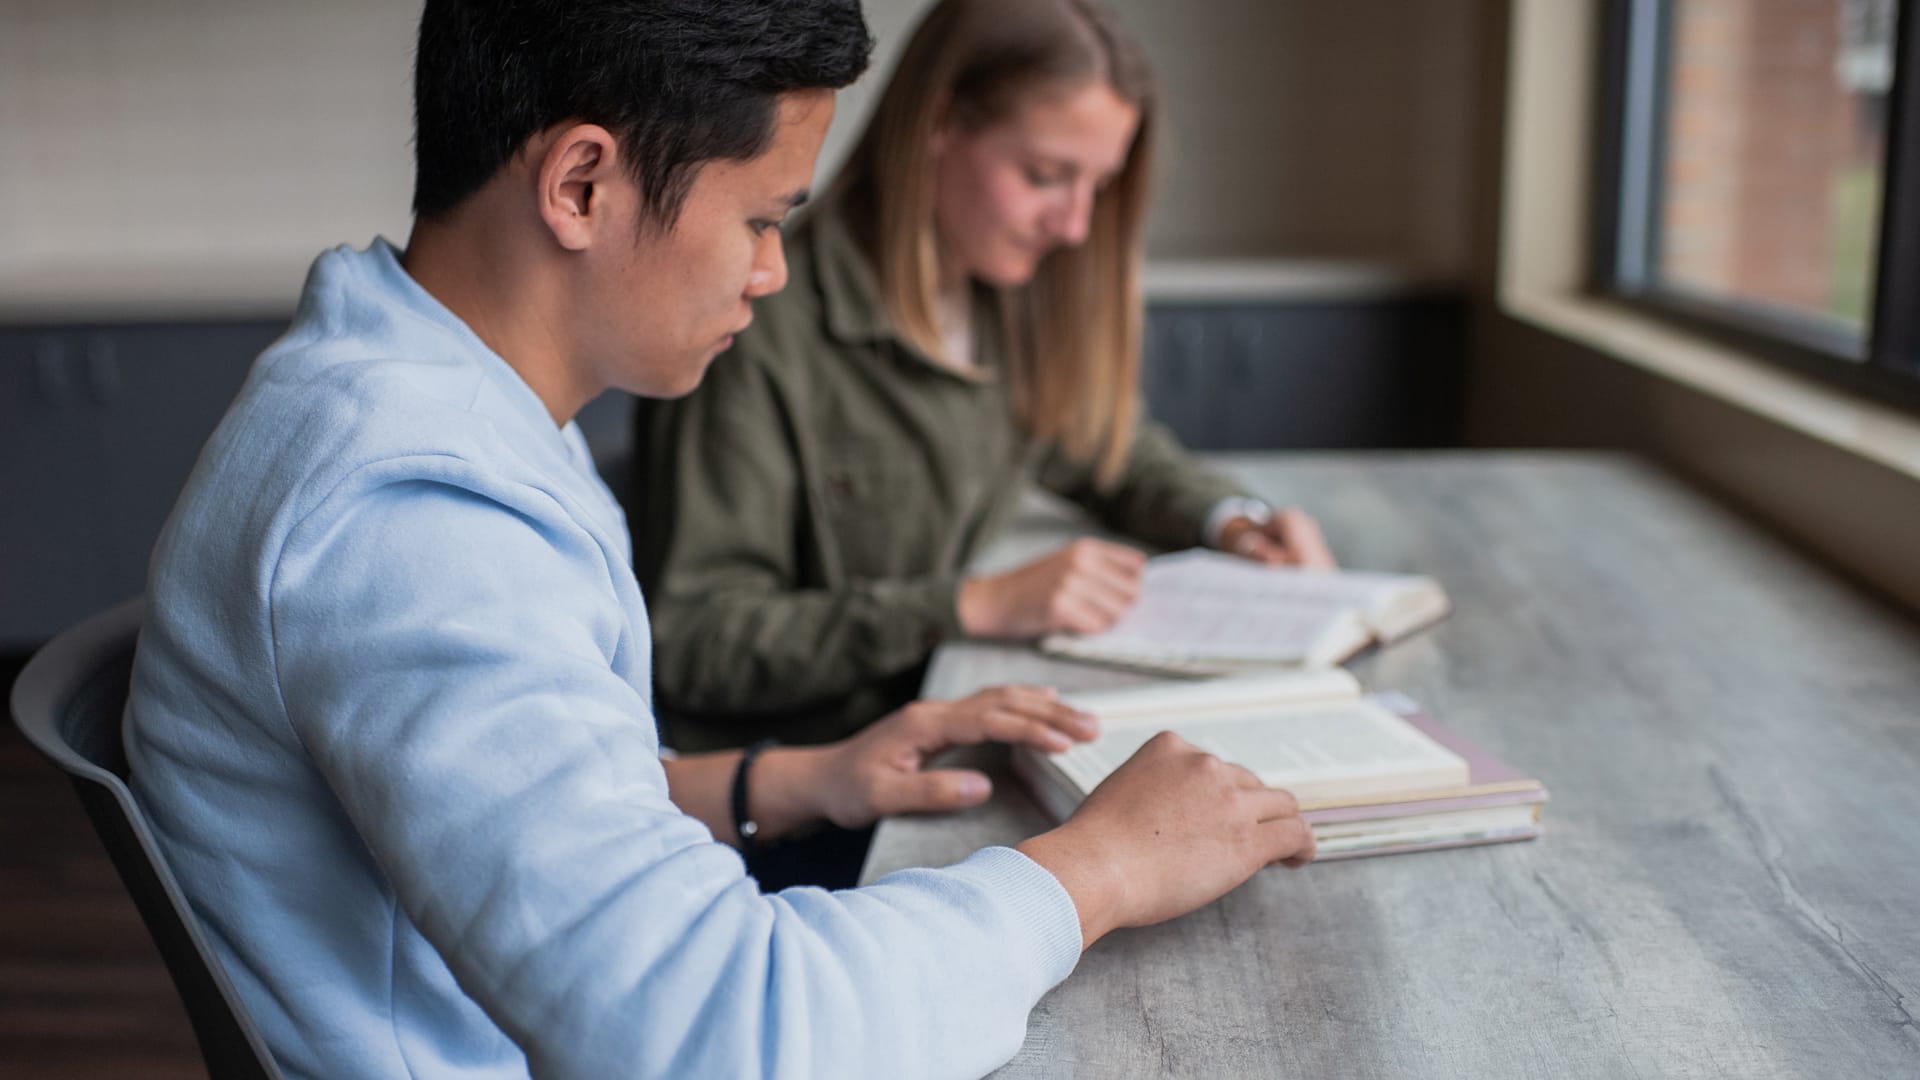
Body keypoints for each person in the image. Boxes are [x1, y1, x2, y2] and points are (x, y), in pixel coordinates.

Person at [123, 2, 1316, 1077]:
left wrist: (798, 777)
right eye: (759, 218)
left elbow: (530, 796)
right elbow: (717, 1031)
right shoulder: (415, 515)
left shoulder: (425, 408)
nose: (772, 271)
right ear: (582, 184)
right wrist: (1097, 872)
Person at [630, 0, 1340, 770]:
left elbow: (1111, 450)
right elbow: (697, 640)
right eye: (1044, 175)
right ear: (941, 123)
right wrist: (973, 604)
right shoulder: (758, 326)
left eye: (1095, 186)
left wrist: (1231, 523)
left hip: (940, 729)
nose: (1073, 225)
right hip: (809, 793)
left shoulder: (1012, 299)